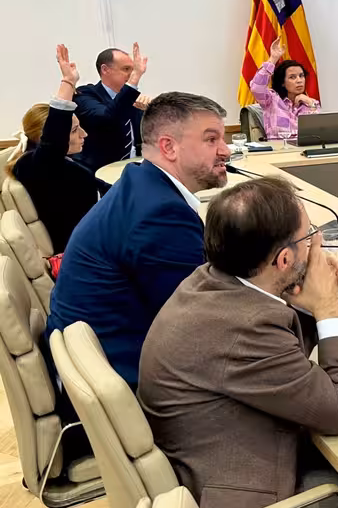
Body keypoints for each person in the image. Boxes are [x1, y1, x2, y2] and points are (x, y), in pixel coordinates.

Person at [139, 176, 338, 508]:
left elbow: (279, 359)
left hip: (207, 464)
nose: (316, 247)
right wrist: (327, 309)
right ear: (284, 259)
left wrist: (303, 297)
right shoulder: (244, 328)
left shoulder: (209, 281)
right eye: (310, 237)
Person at [46, 92, 230, 387]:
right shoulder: (161, 213)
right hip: (129, 374)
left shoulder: (141, 184)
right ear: (168, 147)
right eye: (211, 139)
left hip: (102, 356)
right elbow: (200, 323)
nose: (226, 150)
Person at [7, 45, 111, 254]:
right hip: (89, 250)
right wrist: (68, 82)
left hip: (100, 231)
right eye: (74, 130)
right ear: (45, 137)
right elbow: (54, 141)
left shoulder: (60, 163)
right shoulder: (34, 166)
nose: (84, 134)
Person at [73, 42, 150, 171]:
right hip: (100, 170)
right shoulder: (85, 94)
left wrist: (150, 110)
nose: (131, 74)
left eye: (133, 70)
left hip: (135, 166)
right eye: (126, 69)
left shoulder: (132, 97)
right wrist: (134, 79)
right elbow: (107, 118)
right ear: (105, 70)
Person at [250, 38, 321, 139]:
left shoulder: (311, 103)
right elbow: (256, 87)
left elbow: (319, 133)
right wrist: (273, 59)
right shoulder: (271, 100)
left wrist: (310, 103)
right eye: (292, 77)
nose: (299, 80)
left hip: (304, 147)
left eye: (301, 76)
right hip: (278, 148)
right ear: (282, 82)